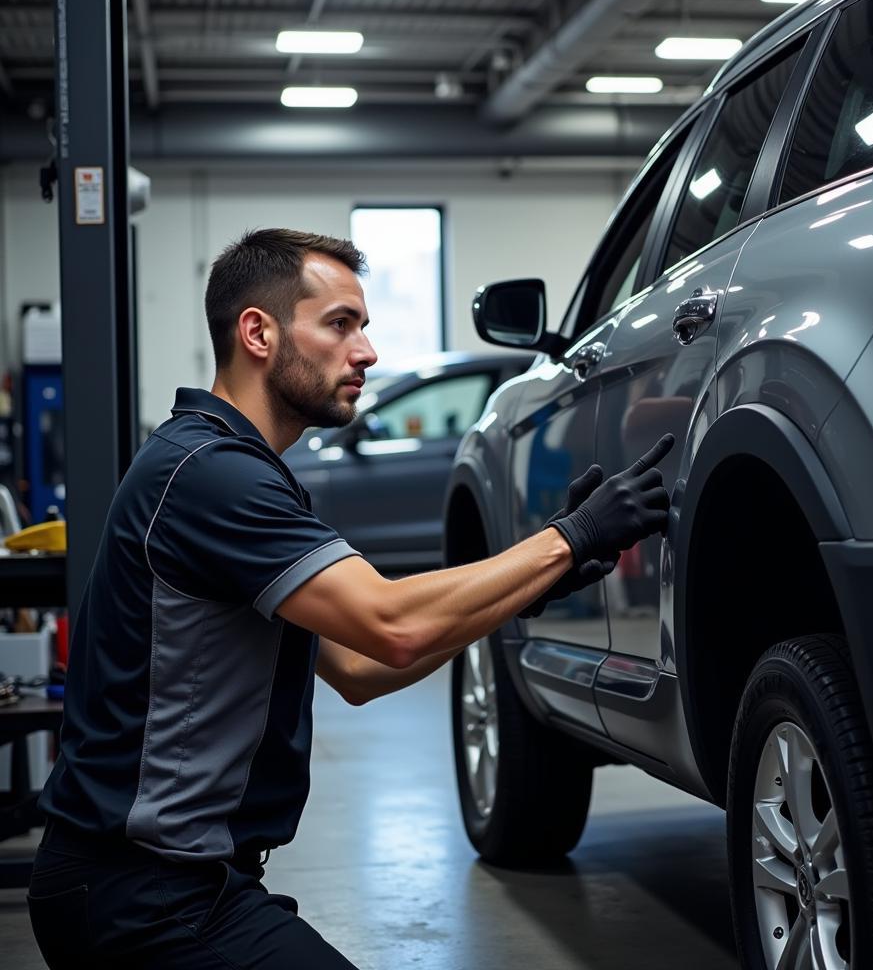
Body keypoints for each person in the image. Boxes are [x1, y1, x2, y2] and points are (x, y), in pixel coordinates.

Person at [27, 228, 675, 969]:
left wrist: (543, 578)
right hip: (138, 896)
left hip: (178, 884)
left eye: (363, 326)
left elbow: (361, 668)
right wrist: (569, 537)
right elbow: (393, 624)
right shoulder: (212, 474)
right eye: (340, 324)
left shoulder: (231, 465)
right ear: (258, 332)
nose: (365, 352)